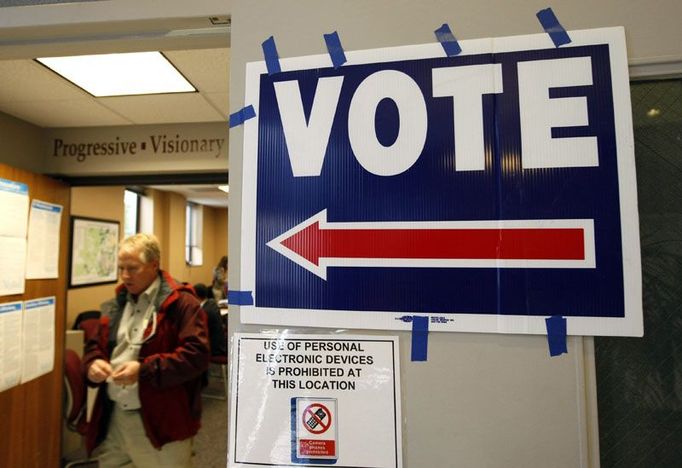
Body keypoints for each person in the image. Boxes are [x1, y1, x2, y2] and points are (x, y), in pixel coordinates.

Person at [83, 233, 210, 467]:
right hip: (114, 419)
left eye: (132, 268)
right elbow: (95, 346)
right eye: (121, 268)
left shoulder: (181, 303)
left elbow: (197, 356)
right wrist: (92, 364)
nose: (124, 276)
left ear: (154, 265)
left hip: (161, 421)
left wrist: (143, 370)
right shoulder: (117, 302)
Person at [193, 283, 227, 356]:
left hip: (214, 349)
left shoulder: (204, 313)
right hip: (221, 345)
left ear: (195, 296)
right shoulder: (212, 303)